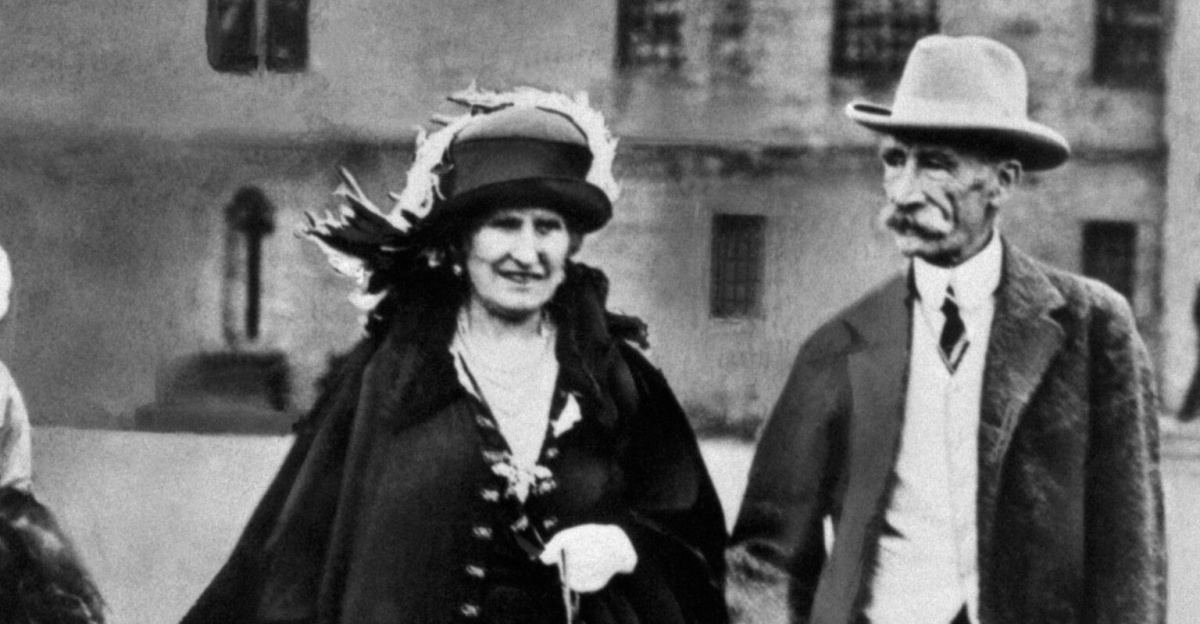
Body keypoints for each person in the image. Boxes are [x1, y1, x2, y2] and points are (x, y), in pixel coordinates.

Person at [181, 86, 729, 624]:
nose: (527, 252)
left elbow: (694, 542)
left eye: (548, 227)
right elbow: (290, 560)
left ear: (572, 244)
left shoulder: (617, 382)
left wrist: (624, 546)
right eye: (504, 224)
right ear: (462, 242)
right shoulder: (390, 378)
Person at [726, 35, 1165, 624]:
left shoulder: (1094, 331)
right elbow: (764, 560)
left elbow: (1129, 557)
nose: (905, 191)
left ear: (1003, 182)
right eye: (893, 160)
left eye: (935, 162)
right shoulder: (838, 347)